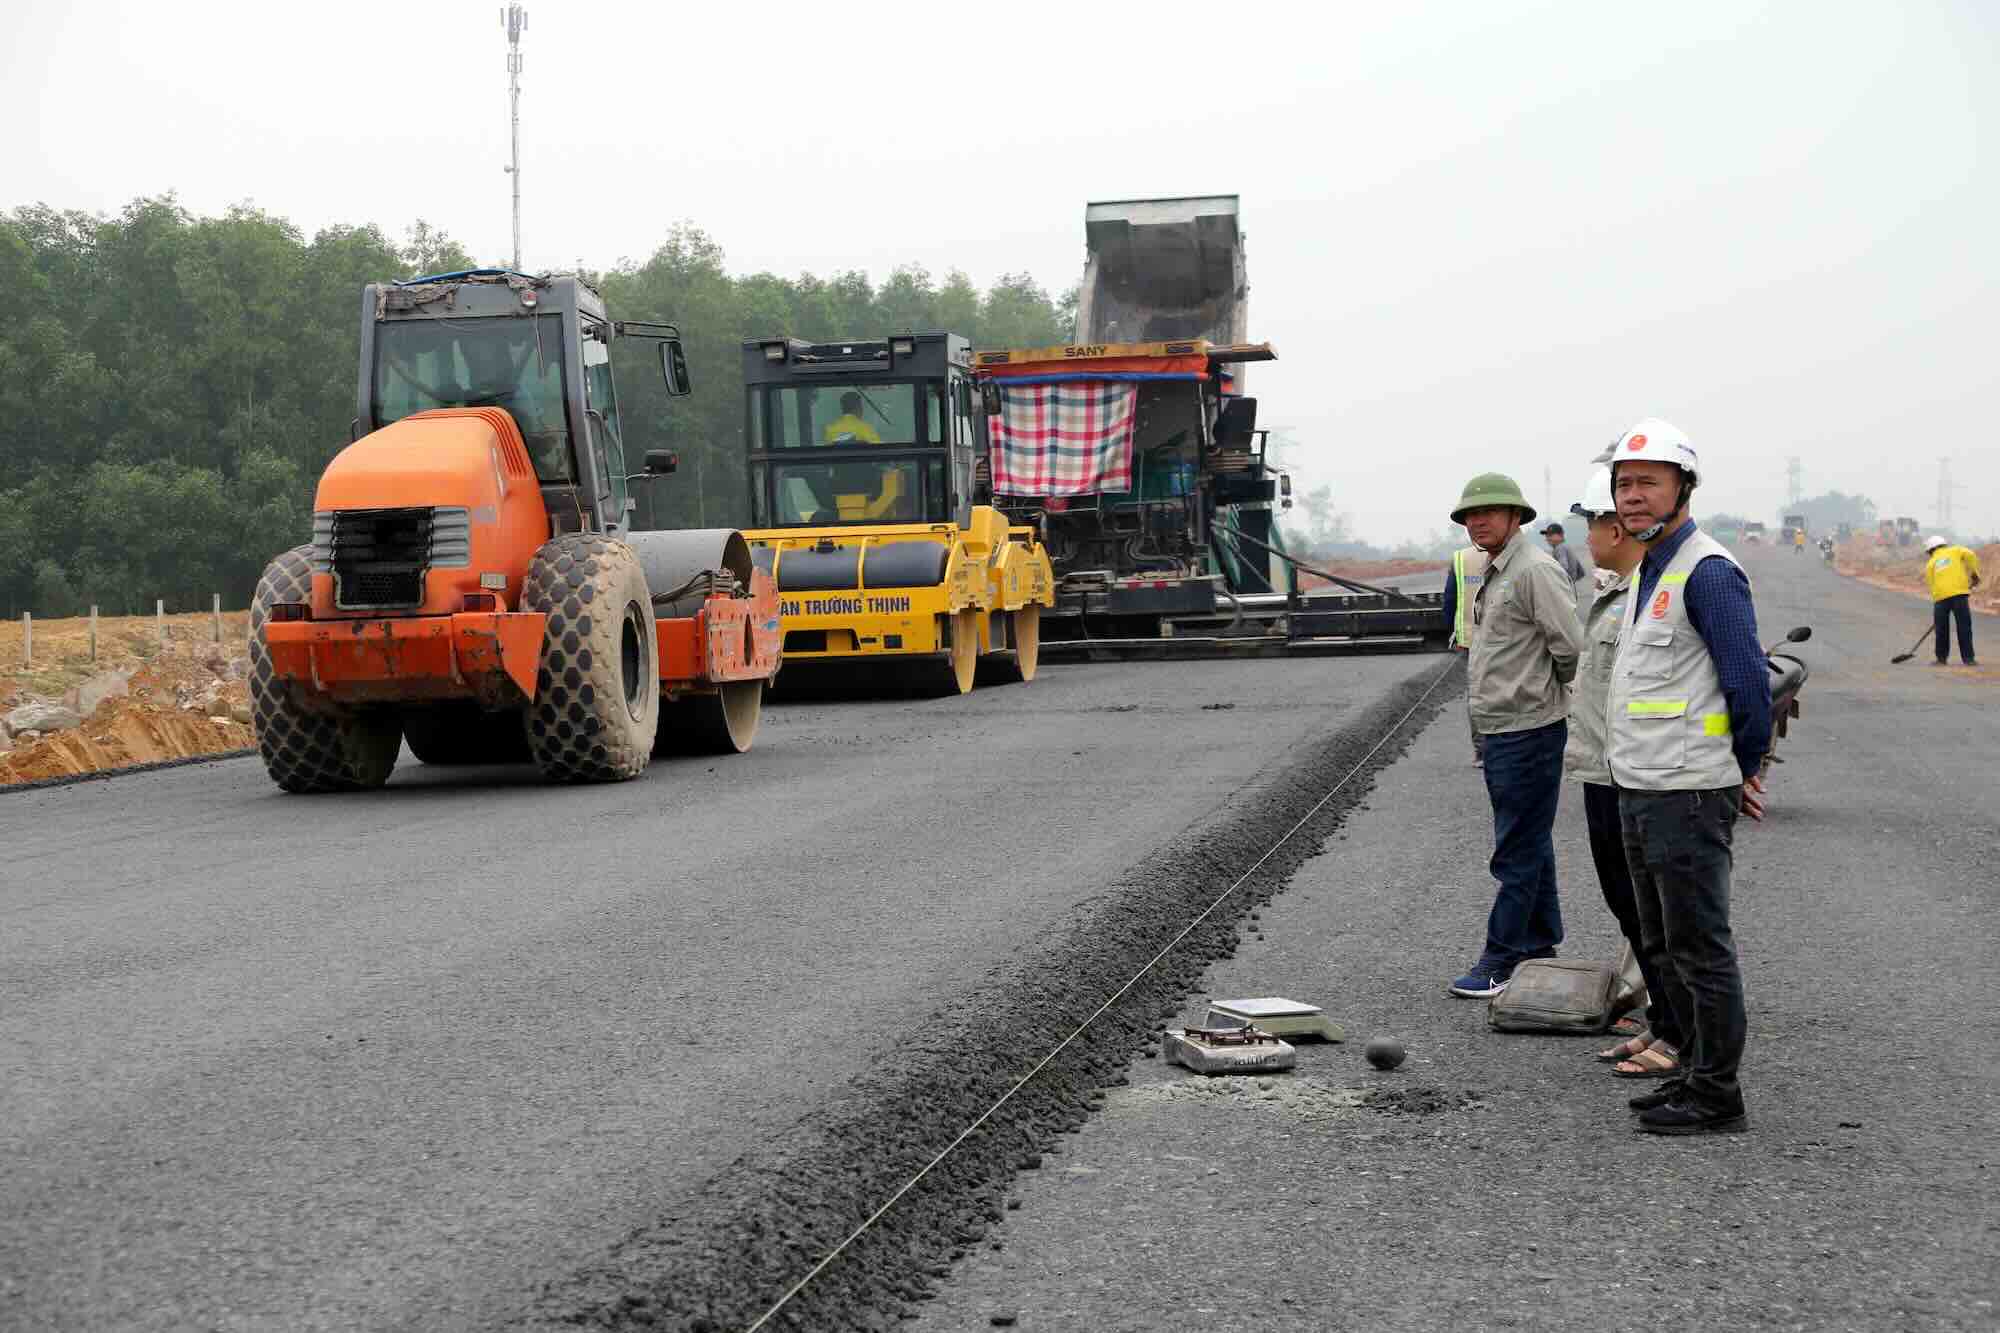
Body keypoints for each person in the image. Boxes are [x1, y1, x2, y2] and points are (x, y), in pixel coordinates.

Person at [1605, 418, 1771, 1136]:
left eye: (1646, 482)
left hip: (1688, 788)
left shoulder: (1708, 570)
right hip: (1642, 785)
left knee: (1700, 943)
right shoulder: (1651, 568)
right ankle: (1695, 1069)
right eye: (1623, 483)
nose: (1631, 496)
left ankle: (1717, 1093)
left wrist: (1745, 767)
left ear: (1683, 487)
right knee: (1664, 939)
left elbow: (1747, 682)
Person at [1447, 473, 1585, 998]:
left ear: (1515, 517)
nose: (1477, 522)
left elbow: (1572, 649)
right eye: (1469, 516)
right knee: (1530, 839)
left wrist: (1551, 703)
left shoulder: (1533, 571)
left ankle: (1500, 957)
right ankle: (1539, 941)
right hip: (1502, 728)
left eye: (1488, 513)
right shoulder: (1493, 570)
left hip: (1528, 729)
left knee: (1516, 849)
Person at [1564, 466, 1683, 1077]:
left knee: (1658, 911)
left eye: (1591, 524)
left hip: (1638, 776)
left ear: (1617, 527)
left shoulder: (1653, 595)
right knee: (1626, 903)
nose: (1586, 538)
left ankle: (1679, 1033)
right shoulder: (1615, 593)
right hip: (1601, 773)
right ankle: (1665, 1022)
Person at [1440, 544, 1490, 765]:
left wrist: (1451, 631)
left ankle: (1481, 752)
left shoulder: (1460, 558)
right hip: (1509, 638)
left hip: (1471, 638)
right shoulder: (1515, 555)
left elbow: (1450, 599)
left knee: (1477, 694)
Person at [1922, 535, 1981, 666]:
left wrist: (1938, 604)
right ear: (1943, 544)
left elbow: (1931, 584)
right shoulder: (1956, 550)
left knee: (1941, 629)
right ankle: (1969, 659)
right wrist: (1974, 573)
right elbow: (1971, 555)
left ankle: (1941, 659)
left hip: (1941, 599)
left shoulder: (1931, 564)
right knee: (1964, 627)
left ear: (1931, 550)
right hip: (1960, 595)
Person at [1542, 520, 1587, 586]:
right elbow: (1581, 572)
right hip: (1569, 587)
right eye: (1547, 535)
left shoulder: (1559, 548)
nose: (1547, 538)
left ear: (1560, 535)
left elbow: (1563, 567)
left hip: (1562, 586)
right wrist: (1571, 581)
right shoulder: (1567, 547)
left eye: (1550, 535)